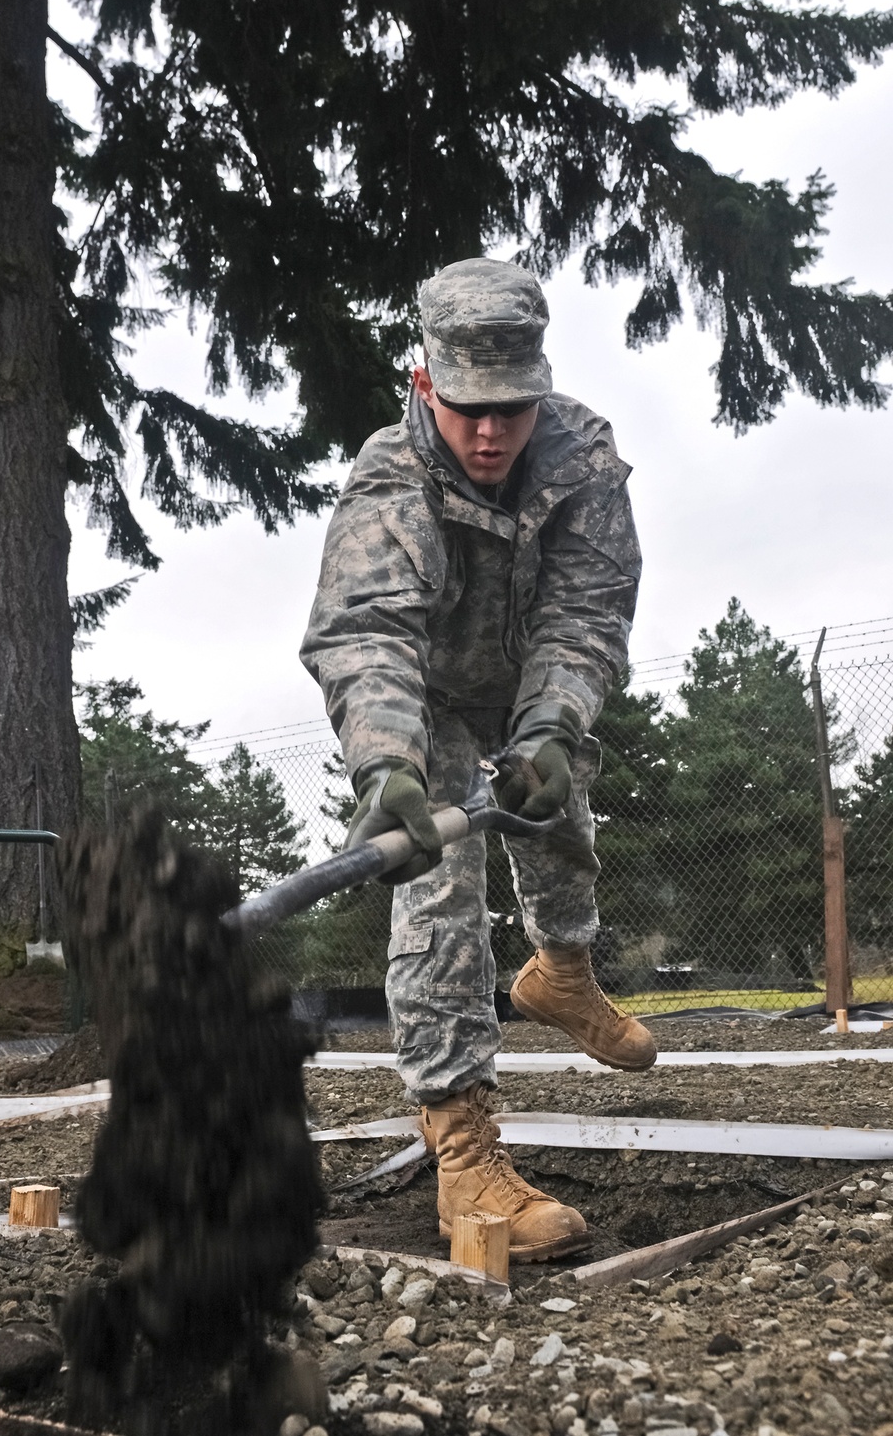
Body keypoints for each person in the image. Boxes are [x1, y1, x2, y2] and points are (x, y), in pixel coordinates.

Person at [300, 257, 655, 1261]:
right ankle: (463, 1155)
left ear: (541, 385)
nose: (491, 432)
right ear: (425, 384)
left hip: (528, 676)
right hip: (425, 698)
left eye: (512, 407)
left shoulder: (581, 458)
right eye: (468, 409)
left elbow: (585, 613)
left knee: (557, 811)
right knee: (440, 884)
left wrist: (551, 727)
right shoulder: (389, 478)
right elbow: (366, 634)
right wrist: (387, 766)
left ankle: (562, 973)